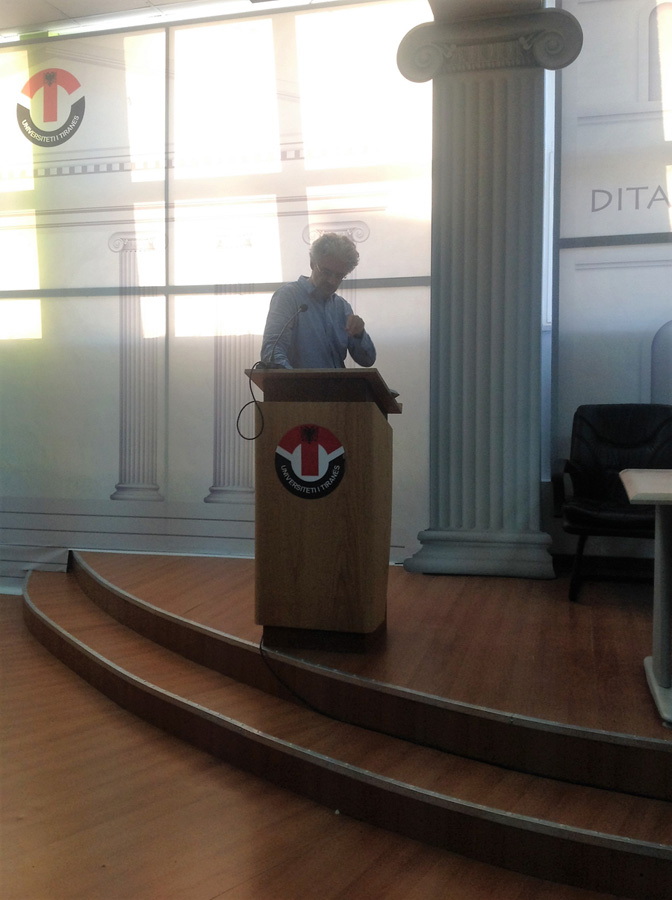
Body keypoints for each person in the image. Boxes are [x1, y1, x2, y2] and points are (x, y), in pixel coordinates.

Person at [260, 233, 376, 369]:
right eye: (326, 272)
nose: (332, 281)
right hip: (297, 383)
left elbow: (367, 360)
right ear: (312, 263)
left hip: (338, 383)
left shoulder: (342, 307)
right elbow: (272, 351)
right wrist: (295, 379)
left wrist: (359, 334)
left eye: (339, 276)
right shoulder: (288, 297)